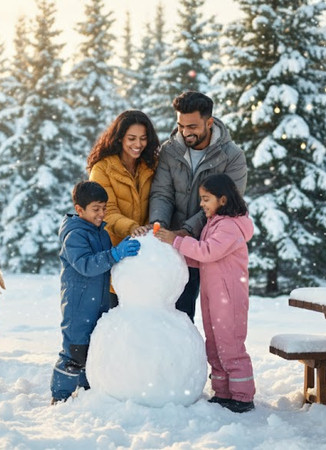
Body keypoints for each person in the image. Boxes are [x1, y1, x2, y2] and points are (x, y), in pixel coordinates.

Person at [141, 91, 247, 322]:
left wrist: (188, 231)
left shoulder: (232, 157)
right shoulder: (170, 151)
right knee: (168, 308)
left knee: (209, 314)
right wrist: (159, 225)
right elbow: (162, 192)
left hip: (208, 245)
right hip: (172, 242)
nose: (185, 132)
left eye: (192, 126)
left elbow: (225, 205)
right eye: (181, 126)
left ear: (209, 122)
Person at [155, 173, 255, 413]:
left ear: (223, 199)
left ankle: (242, 396)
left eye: (206, 199)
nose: (201, 204)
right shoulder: (214, 223)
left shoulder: (230, 226)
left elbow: (208, 251)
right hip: (213, 296)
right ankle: (223, 392)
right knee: (215, 343)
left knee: (230, 344)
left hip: (229, 296)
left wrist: (176, 241)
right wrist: (176, 255)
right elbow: (202, 258)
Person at [50, 181, 141, 404]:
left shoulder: (100, 232)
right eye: (95, 209)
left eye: (104, 208)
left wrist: (121, 253)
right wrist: (114, 254)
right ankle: (60, 396)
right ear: (79, 209)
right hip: (78, 303)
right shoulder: (75, 235)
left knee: (93, 347)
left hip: (99, 300)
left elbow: (106, 261)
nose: (101, 214)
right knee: (75, 349)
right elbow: (86, 265)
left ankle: (87, 388)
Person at [87, 110, 160, 307]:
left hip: (147, 254)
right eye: (132, 138)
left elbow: (160, 198)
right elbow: (105, 211)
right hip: (113, 252)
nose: (138, 144)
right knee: (116, 312)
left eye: (143, 138)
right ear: (120, 138)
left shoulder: (151, 166)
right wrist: (132, 228)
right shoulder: (102, 169)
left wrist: (152, 227)